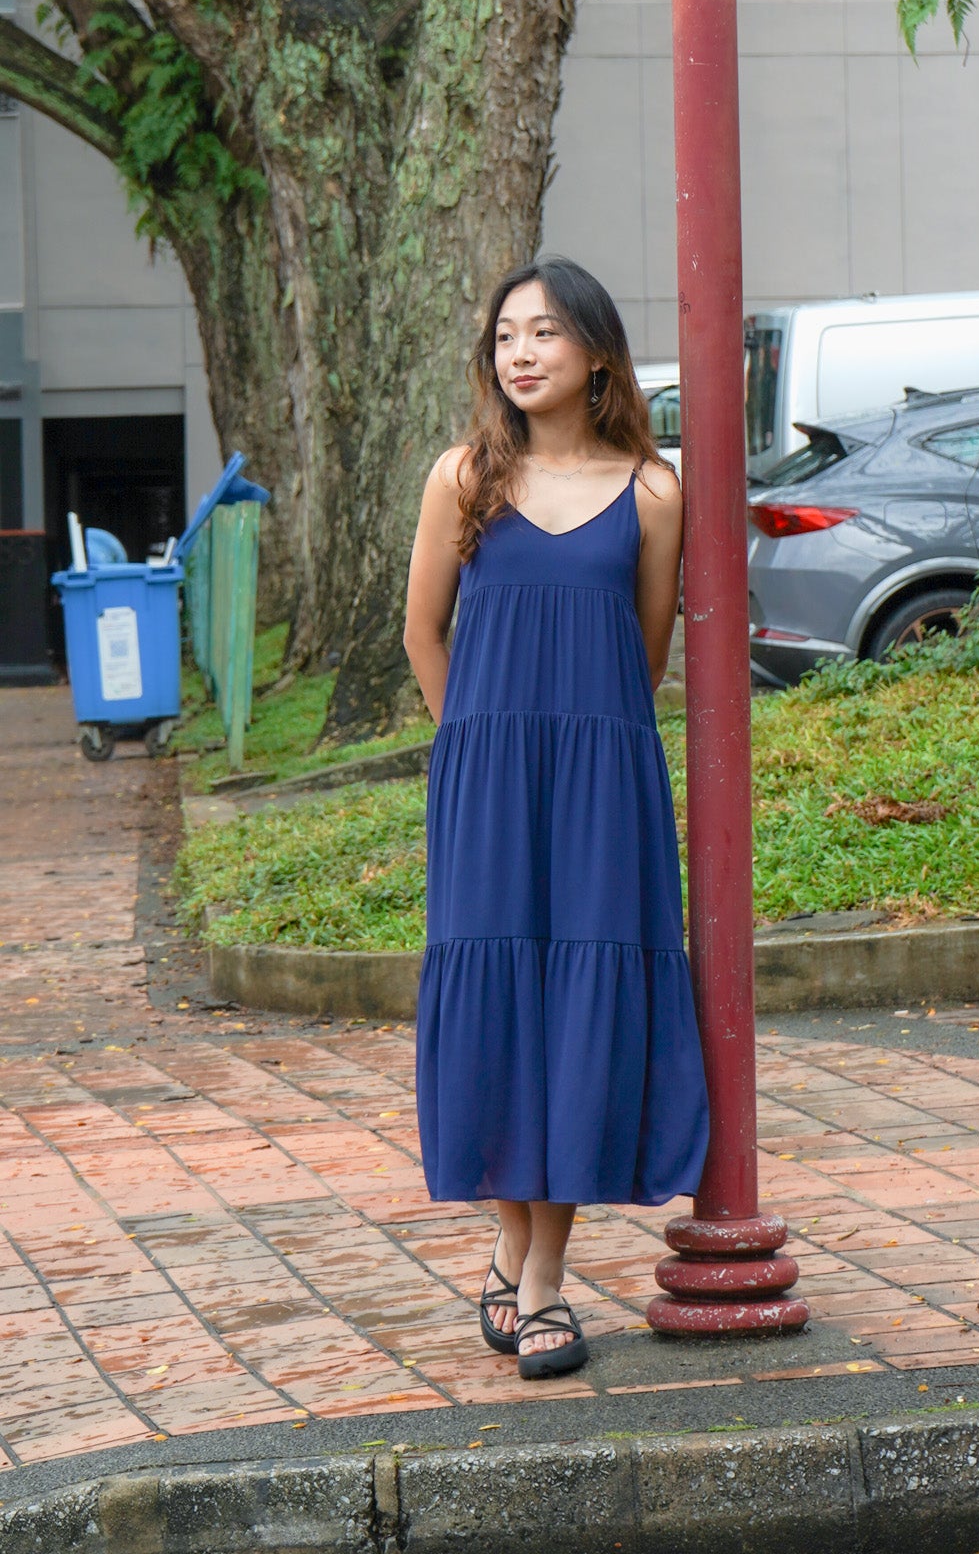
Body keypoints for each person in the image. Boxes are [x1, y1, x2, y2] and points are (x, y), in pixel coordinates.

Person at [403, 256, 709, 1381]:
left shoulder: (653, 490)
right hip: (485, 776)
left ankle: (539, 1279)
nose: (519, 352)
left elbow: (647, 649)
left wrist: (572, 739)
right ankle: (511, 1241)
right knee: (500, 1006)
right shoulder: (463, 477)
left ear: (595, 351)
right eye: (504, 336)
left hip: (603, 778)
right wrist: (475, 742)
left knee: (580, 1005)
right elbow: (421, 632)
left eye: (542, 332)